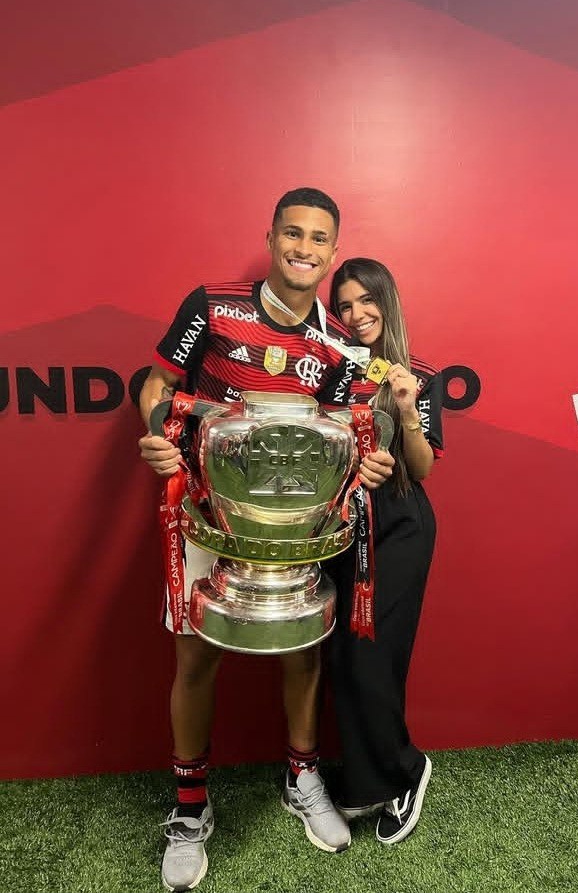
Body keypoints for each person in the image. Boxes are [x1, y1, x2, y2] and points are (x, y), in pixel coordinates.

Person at [137, 190, 394, 892]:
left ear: (333, 251)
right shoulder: (213, 306)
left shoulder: (340, 342)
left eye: (319, 238)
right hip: (205, 511)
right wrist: (158, 437)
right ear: (272, 236)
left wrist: (369, 463)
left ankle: (301, 777)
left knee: (304, 653)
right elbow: (158, 384)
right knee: (196, 656)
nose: (304, 249)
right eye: (293, 233)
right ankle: (191, 807)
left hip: (294, 526)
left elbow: (349, 428)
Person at [327, 257, 443, 845]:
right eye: (344, 306)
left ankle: (407, 770)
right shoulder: (329, 371)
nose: (355, 314)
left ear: (386, 300)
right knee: (342, 657)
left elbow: (421, 469)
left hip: (398, 528)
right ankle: (364, 780)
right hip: (339, 529)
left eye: (365, 300)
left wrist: (405, 411)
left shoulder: (418, 375)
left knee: (374, 657)